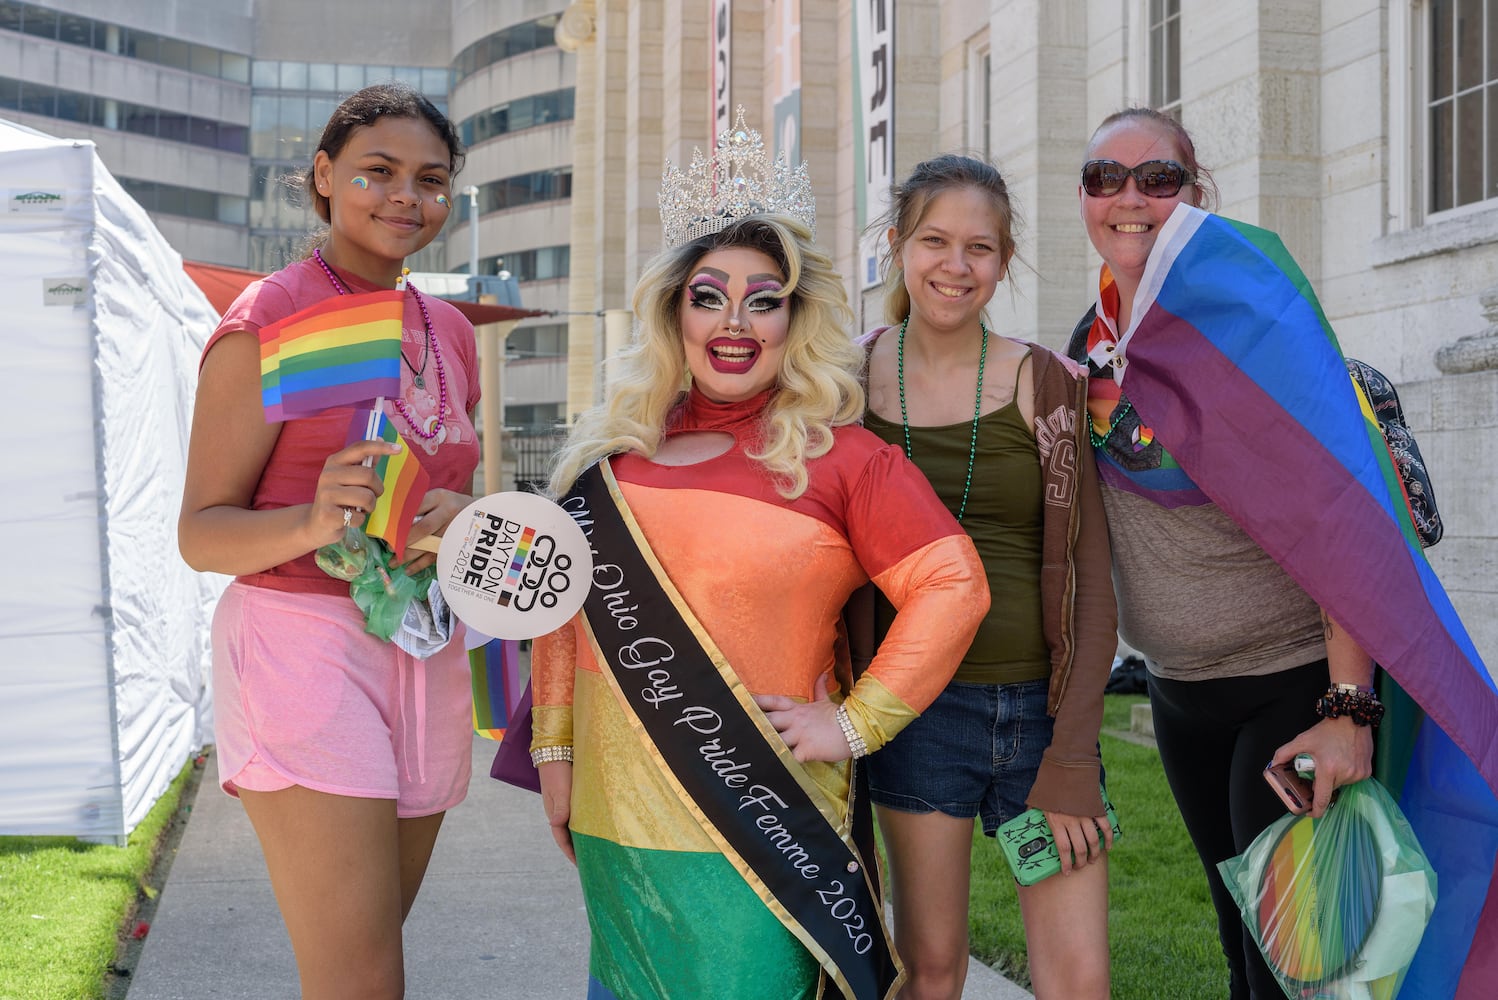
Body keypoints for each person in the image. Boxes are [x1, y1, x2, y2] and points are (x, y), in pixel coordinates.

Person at [529, 113, 990, 1000]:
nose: (734, 322)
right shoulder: (610, 462)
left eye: (763, 298)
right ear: (673, 308)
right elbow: (562, 614)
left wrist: (855, 724)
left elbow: (952, 584)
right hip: (619, 822)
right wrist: (556, 760)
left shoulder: (845, 459)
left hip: (768, 824)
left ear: (795, 315)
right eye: (709, 294)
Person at [1066, 107, 1377, 1000]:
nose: (1130, 198)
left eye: (1157, 179)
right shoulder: (1093, 342)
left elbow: (1340, 510)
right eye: (1104, 178)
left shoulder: (1252, 320)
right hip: (1179, 693)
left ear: (1197, 194)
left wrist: (1348, 707)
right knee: (1244, 941)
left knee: (1298, 966)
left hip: (1290, 681)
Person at [178, 83, 479, 999]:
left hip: (423, 647)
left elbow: (461, 487)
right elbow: (200, 532)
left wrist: (459, 519)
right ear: (322, 176)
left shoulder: (453, 330)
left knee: (364, 958)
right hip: (300, 648)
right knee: (360, 981)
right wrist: (313, 521)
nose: (404, 198)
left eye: (430, 181)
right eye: (376, 173)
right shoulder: (271, 316)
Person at [857, 153, 1117, 1000]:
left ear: (1004, 261)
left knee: (1078, 979)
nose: (955, 266)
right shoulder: (840, 382)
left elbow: (1089, 576)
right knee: (929, 972)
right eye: (934, 240)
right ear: (896, 245)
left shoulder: (1048, 385)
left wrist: (1074, 755)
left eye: (980, 248)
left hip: (1041, 710)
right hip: (914, 712)